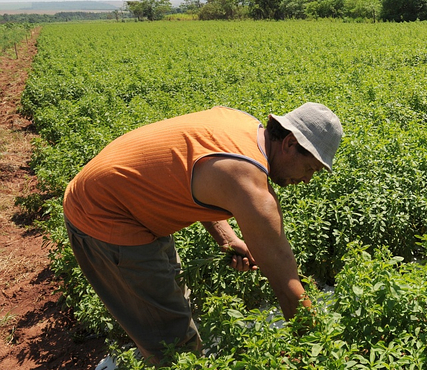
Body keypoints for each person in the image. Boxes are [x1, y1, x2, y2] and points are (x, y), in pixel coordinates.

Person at [63, 103, 343, 365]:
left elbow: (188, 172)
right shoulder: (250, 187)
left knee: (172, 300)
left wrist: (227, 238)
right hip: (103, 214)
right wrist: (317, 351)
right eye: (310, 169)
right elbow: (285, 283)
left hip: (127, 198)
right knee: (173, 344)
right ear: (290, 143)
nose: (307, 180)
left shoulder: (241, 125)